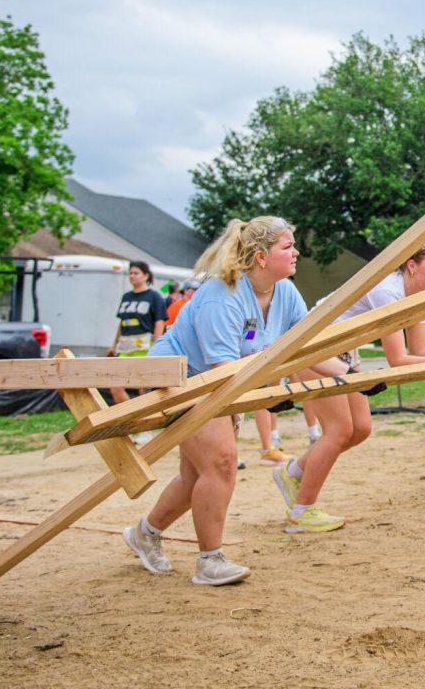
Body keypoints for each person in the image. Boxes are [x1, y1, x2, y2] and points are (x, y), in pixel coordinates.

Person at [121, 216, 313, 586]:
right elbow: (224, 369)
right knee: (222, 461)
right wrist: (272, 383)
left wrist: (351, 373)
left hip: (221, 377)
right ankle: (210, 560)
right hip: (181, 376)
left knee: (196, 473)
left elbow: (306, 344)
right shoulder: (222, 294)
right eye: (287, 247)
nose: (296, 252)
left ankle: (145, 533)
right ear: (260, 256)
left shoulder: (285, 291)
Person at [271, 240, 425, 529]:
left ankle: (294, 472)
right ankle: (301, 513)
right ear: (411, 266)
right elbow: (398, 359)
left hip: (345, 350)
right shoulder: (388, 291)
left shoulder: (415, 295)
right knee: (339, 430)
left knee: (360, 428)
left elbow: (422, 348)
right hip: (317, 347)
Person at [106, 260, 168, 405]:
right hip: (125, 346)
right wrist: (113, 345)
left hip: (144, 347)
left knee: (143, 387)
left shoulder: (154, 297)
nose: (132, 276)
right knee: (115, 385)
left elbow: (159, 322)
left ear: (146, 275)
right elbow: (122, 324)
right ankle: (128, 416)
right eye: (130, 273)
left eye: (136, 273)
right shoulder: (126, 297)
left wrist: (158, 346)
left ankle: (145, 419)